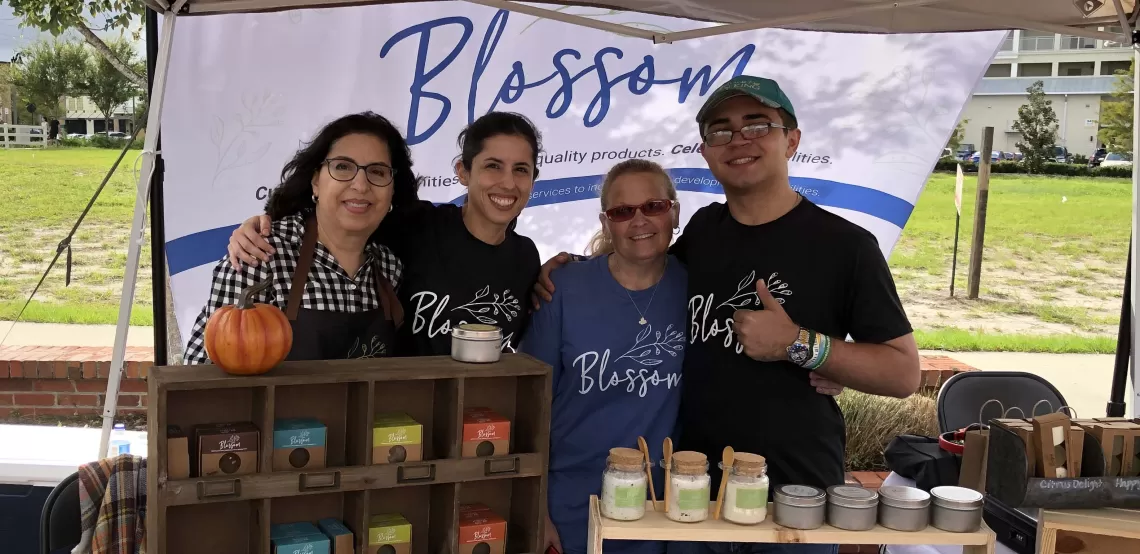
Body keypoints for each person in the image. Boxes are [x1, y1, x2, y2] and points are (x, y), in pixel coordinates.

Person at [535, 75, 919, 554]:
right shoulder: (704, 233)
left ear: (792, 139)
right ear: (706, 151)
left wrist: (803, 346)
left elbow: (903, 372)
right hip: (695, 495)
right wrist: (565, 268)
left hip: (792, 498)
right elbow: (640, 259)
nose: (738, 140)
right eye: (721, 130)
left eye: (756, 125)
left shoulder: (844, 246)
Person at [226, 112, 542, 356]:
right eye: (493, 166)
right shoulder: (415, 226)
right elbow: (342, 217)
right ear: (463, 171)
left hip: (465, 428)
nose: (507, 182)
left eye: (521, 169)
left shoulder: (527, 258)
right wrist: (258, 224)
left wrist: (566, 264)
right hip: (397, 419)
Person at [522, 159, 686, 554]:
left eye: (654, 206)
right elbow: (530, 401)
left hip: (661, 506)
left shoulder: (697, 286)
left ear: (674, 211)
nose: (640, 221)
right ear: (606, 222)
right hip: (572, 501)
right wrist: (535, 507)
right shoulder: (562, 288)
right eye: (622, 211)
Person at [183, 111, 415, 363]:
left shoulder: (390, 266)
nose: (361, 185)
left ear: (393, 187)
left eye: (377, 172)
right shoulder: (261, 254)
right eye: (343, 167)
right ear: (316, 180)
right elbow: (203, 374)